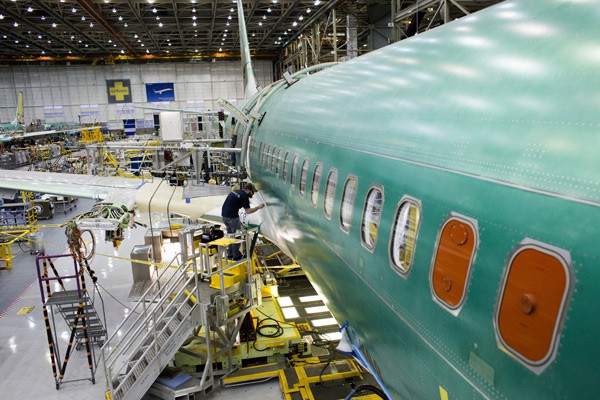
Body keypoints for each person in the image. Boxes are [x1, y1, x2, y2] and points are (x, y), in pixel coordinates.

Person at [221, 183, 264, 260]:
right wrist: (258, 207)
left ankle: (230, 254)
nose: (252, 194)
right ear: (248, 190)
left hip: (224, 217)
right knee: (236, 236)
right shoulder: (244, 196)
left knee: (230, 235)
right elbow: (248, 211)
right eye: (252, 192)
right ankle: (236, 256)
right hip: (232, 218)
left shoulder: (236, 192)